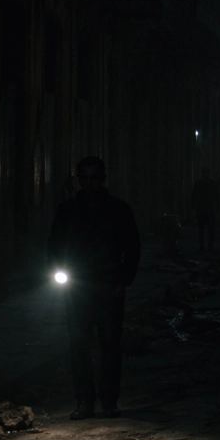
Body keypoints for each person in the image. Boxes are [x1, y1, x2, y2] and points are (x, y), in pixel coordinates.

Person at [47, 156, 141, 420]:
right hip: (77, 288)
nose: (89, 183)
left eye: (94, 178)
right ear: (79, 179)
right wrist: (59, 273)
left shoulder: (119, 210)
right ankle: (84, 401)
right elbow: (54, 245)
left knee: (110, 345)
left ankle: (109, 400)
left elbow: (132, 247)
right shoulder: (67, 210)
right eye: (84, 178)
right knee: (79, 345)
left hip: (109, 287)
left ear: (102, 179)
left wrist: (124, 280)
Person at [191, 167, 220, 253]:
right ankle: (210, 246)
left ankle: (202, 246)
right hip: (210, 208)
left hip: (201, 208)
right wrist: (218, 206)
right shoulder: (213, 183)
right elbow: (217, 196)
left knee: (201, 228)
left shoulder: (198, 183)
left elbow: (194, 195)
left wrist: (193, 204)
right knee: (210, 228)